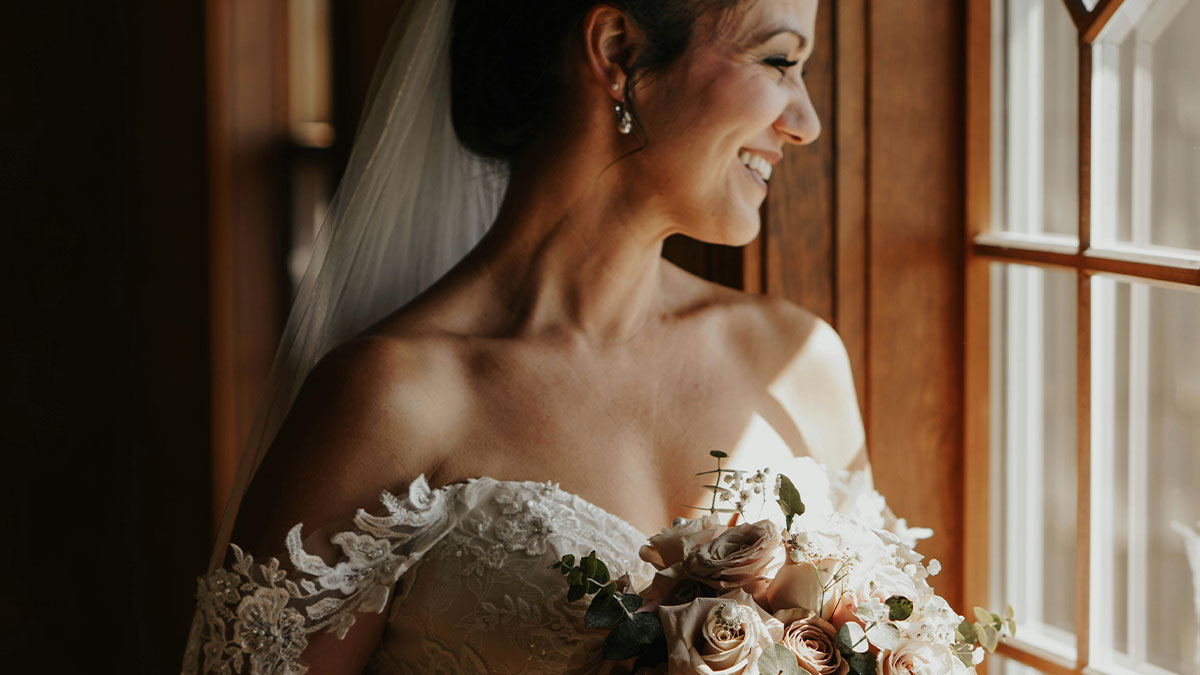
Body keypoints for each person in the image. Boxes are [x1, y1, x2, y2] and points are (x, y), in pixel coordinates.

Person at [182, 0, 866, 672]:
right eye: (778, 60)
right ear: (617, 51)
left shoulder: (798, 362)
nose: (804, 123)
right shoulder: (389, 397)